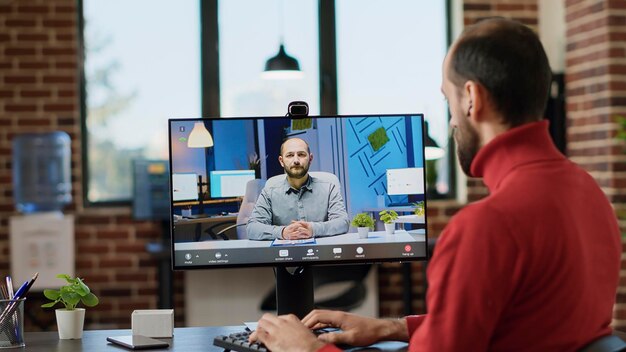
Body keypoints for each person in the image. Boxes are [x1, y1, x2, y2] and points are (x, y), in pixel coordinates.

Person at [249, 18, 622, 351]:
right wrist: (391, 328)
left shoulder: (485, 228)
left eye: (448, 100)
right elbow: (523, 322)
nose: (451, 122)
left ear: (472, 98)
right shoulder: (589, 193)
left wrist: (308, 350)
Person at [247, 137, 349, 240]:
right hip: (283, 254)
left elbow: (343, 222)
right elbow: (252, 228)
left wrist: (314, 229)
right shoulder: (269, 192)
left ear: (310, 159)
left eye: (301, 154)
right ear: (281, 161)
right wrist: (282, 232)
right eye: (290, 155)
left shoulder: (329, 188)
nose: (296, 160)